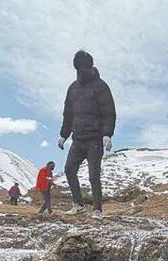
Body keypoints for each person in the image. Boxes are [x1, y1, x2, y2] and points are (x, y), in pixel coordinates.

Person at [58, 50, 116, 220]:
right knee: (69, 169)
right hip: (77, 139)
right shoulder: (72, 88)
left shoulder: (101, 86)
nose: (81, 71)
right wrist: (63, 135)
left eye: (84, 67)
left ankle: (97, 210)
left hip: (95, 140)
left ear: (90, 67)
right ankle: (78, 204)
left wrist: (107, 134)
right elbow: (68, 114)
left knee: (93, 176)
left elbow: (109, 112)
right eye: (79, 68)